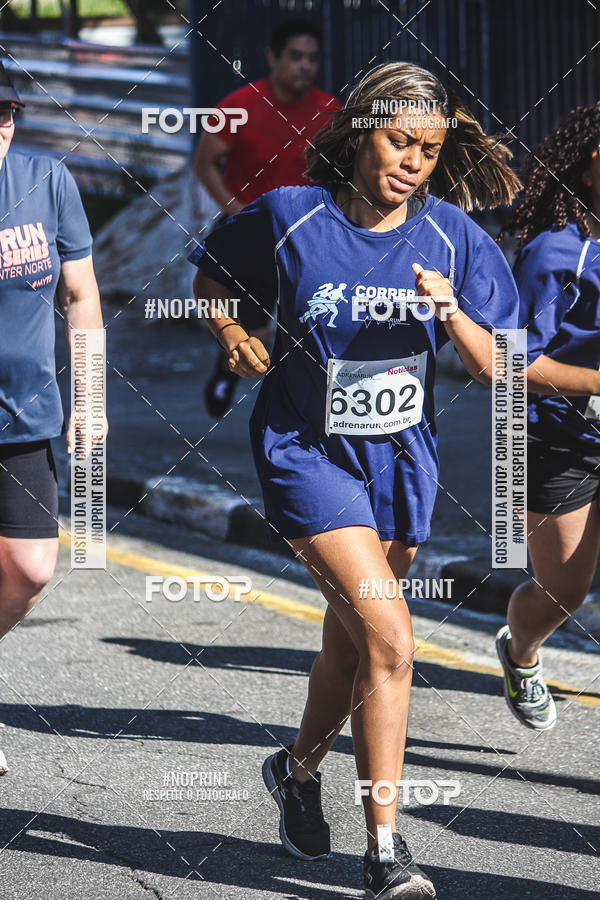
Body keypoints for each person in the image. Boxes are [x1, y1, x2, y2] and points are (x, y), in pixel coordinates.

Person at [188, 61, 521, 900]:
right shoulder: (289, 218)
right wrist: (230, 331)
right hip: (305, 451)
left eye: (430, 149)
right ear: (359, 133)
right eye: (400, 140)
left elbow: (498, 369)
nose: (414, 160)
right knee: (395, 641)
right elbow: (212, 278)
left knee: (352, 642)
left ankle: (298, 772)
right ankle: (385, 851)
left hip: (402, 463)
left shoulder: (453, 238)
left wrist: (451, 313)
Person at [0, 61, 107, 775]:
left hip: (25, 413)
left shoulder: (47, 180)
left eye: (5, 109)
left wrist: (92, 397)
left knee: (31, 569)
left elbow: (82, 295)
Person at [495, 104, 600, 732]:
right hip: (560, 438)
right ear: (591, 166)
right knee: (562, 594)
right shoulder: (556, 253)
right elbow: (509, 364)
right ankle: (521, 652)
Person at [192, 17, 340, 417]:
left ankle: (309, 403)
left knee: (315, 323)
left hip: (309, 238)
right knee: (254, 331)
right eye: (295, 57)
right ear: (272, 58)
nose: (304, 66)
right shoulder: (240, 106)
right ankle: (226, 372)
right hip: (251, 235)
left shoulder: (331, 112)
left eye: (311, 58)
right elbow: (205, 163)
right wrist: (236, 212)